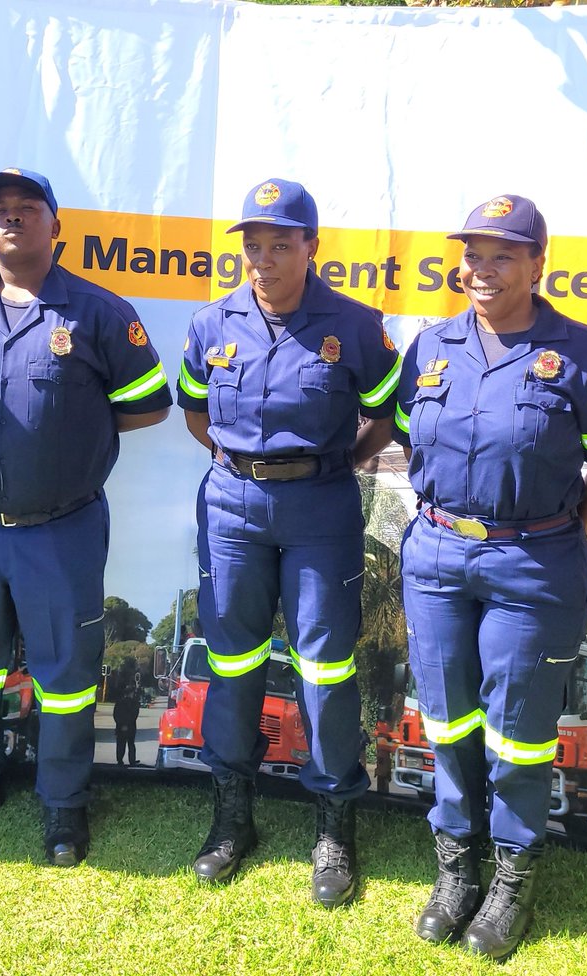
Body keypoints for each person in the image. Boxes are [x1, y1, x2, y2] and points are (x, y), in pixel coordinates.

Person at [0, 168, 171, 866]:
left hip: (61, 529)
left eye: (27, 209)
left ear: (56, 225)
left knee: (68, 677)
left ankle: (64, 805)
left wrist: (67, 441)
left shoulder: (101, 312)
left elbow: (148, 403)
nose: (11, 219)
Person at [393, 195, 587, 959]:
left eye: (502, 255)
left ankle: (511, 879)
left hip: (533, 564)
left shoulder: (586, 357)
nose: (482, 269)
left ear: (538, 264)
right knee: (448, 719)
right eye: (472, 254)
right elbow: (413, 444)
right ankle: (456, 868)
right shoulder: (430, 347)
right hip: (436, 557)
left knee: (520, 734)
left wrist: (547, 531)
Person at [177, 178, 401, 907]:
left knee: (326, 666)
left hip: (319, 504)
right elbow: (195, 414)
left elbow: (385, 414)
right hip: (234, 504)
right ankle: (230, 817)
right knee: (233, 657)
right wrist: (249, 466)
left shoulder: (358, 326)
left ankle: (335, 824)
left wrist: (331, 462)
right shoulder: (213, 325)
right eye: (253, 246)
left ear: (311, 246)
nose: (264, 260)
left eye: (280, 244)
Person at [113, 680, 141, 766]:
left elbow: (115, 714)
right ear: (131, 693)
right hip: (131, 726)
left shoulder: (119, 702)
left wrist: (121, 724)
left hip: (120, 726)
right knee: (131, 744)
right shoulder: (135, 703)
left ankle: (120, 760)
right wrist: (128, 724)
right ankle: (132, 760)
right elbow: (134, 715)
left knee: (120, 744)